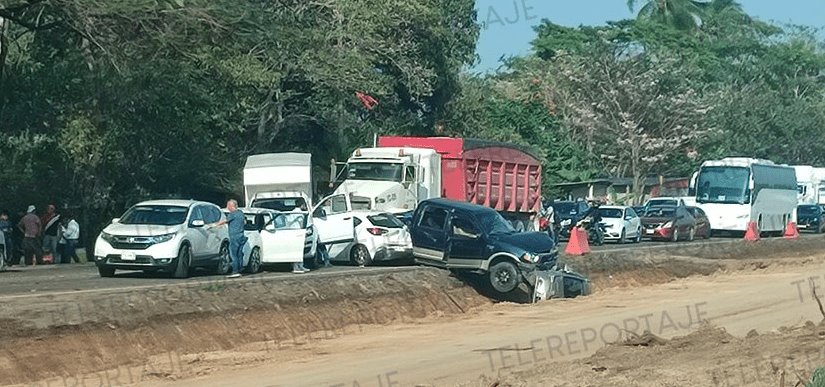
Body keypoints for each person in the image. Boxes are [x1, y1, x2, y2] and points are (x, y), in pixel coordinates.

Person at [210, 199, 247, 278]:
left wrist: (214, 225)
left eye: (228, 205)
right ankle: (240, 269)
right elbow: (244, 222)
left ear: (232, 206)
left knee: (233, 255)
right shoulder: (241, 213)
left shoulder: (232, 214)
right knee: (239, 253)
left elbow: (224, 221)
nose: (227, 207)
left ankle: (235, 271)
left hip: (234, 236)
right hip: (241, 235)